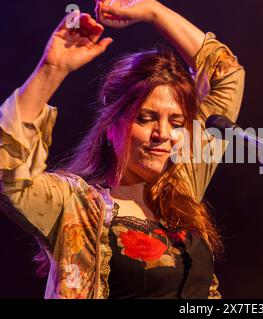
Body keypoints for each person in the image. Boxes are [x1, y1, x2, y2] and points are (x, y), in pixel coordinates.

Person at [0, 0, 244, 299]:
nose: (163, 134)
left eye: (176, 122)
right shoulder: (73, 205)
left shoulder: (182, 186)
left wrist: (154, 11)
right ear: (111, 123)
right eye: (146, 118)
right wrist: (52, 70)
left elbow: (226, 75)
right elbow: (8, 170)